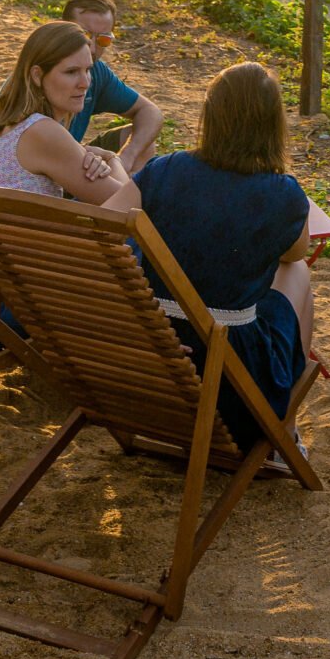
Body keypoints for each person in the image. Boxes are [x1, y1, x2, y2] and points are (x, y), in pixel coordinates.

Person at [132, 62, 312, 453]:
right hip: (233, 394)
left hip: (149, 374)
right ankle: (288, 430)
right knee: (297, 273)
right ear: (272, 125)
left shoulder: (163, 171)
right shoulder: (282, 194)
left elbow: (105, 225)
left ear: (210, 115)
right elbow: (296, 253)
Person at [0, 21, 139, 340]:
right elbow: (128, 213)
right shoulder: (44, 133)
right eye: (71, 72)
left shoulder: (12, 120)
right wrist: (114, 161)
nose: (85, 82)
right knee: (132, 249)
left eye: (88, 71)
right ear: (36, 75)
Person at [0, 0, 162, 172]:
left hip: (60, 159)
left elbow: (150, 112)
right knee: (124, 194)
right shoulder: (42, 78)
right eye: (85, 35)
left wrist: (125, 158)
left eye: (103, 40)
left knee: (137, 142)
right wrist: (115, 173)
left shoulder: (94, 71)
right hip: (30, 178)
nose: (93, 48)